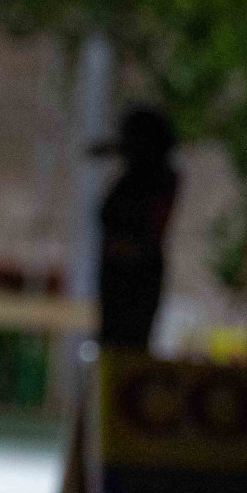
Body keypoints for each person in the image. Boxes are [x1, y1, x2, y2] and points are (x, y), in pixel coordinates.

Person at [98, 107, 178, 351]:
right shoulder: (139, 175)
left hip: (135, 273)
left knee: (126, 345)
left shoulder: (156, 179)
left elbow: (150, 231)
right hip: (121, 269)